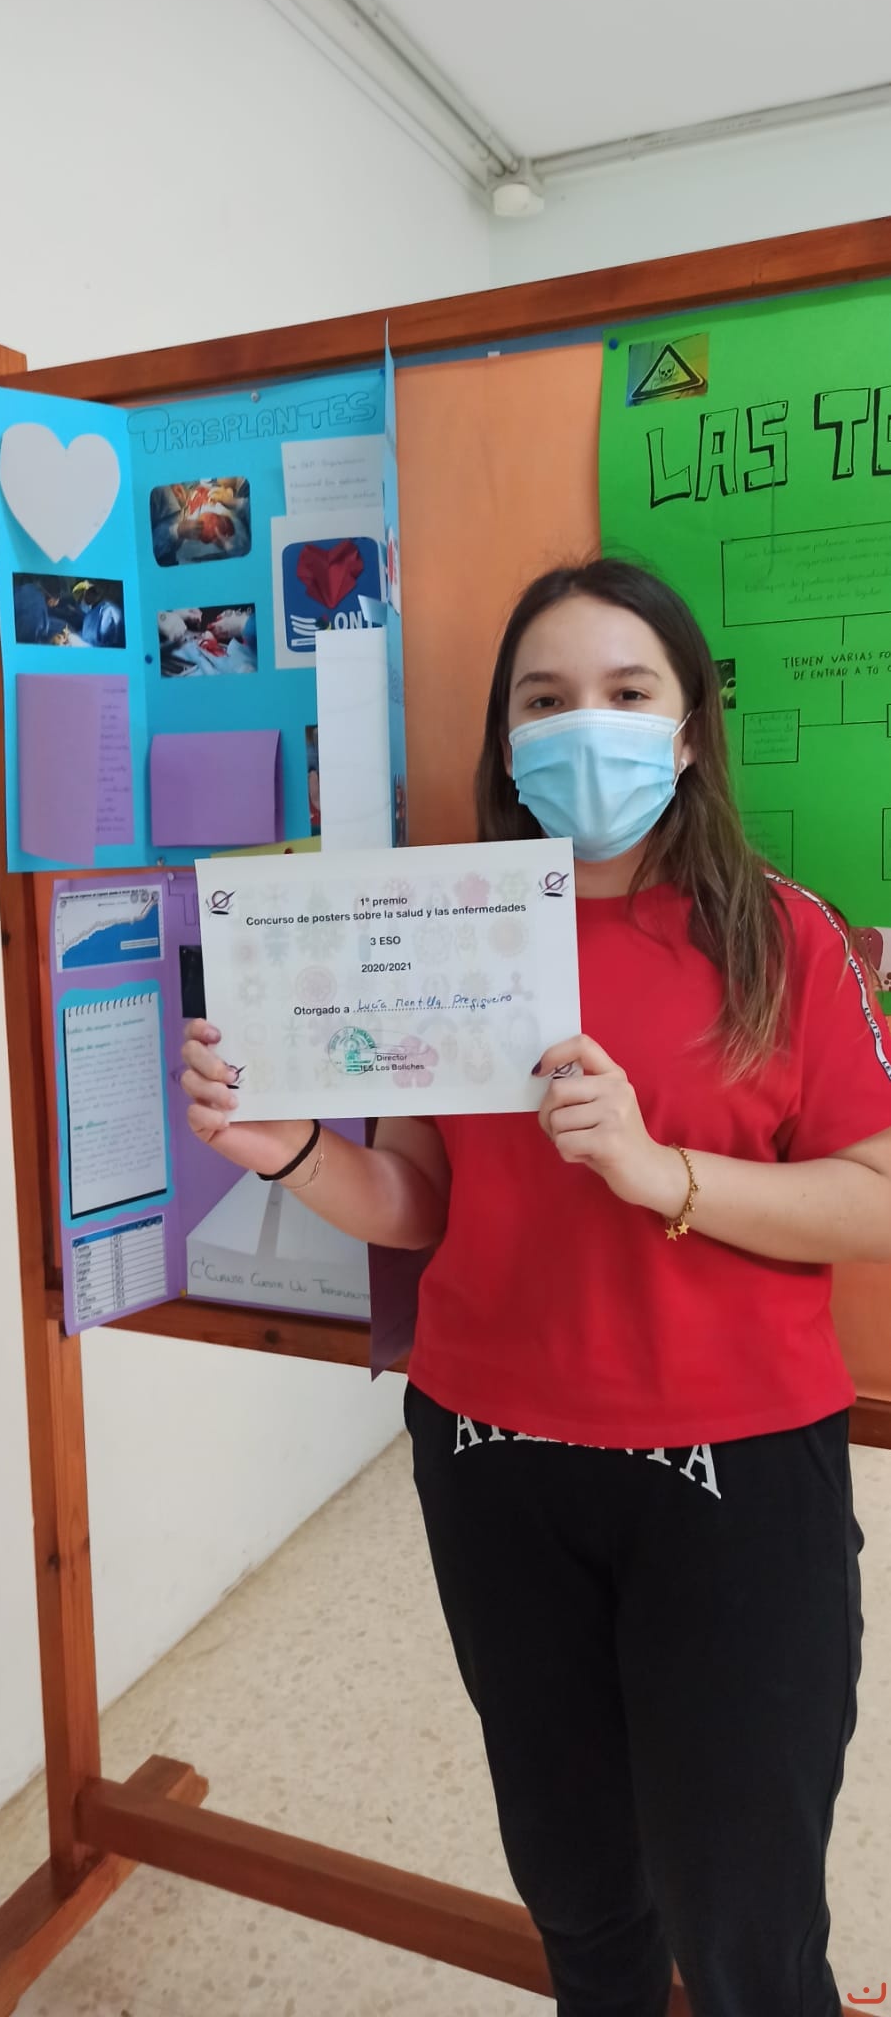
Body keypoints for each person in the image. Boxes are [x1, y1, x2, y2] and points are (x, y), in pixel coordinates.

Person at [181, 558, 891, 2017]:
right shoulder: (448, 927)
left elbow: (875, 1196)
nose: (586, 727)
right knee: (578, 1890)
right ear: (506, 740)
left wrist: (655, 1169)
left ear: (686, 728)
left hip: (737, 1471)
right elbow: (417, 1199)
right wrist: (289, 1147)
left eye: (626, 693)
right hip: (491, 1457)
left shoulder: (784, 937)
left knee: (746, 1921)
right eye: (545, 700)